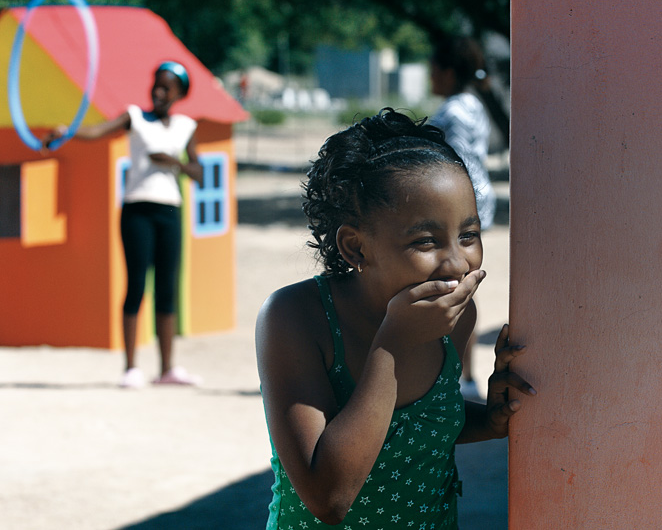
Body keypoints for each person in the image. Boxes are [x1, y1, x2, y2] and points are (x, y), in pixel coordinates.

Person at [255, 108, 535, 529]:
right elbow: (329, 497)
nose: (458, 263)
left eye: (469, 235)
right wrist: (392, 345)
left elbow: (415, 426)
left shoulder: (456, 318)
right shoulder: (296, 319)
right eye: (426, 241)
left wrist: (488, 420)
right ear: (356, 248)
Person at [42, 61, 203, 389]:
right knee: (136, 284)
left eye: (167, 87)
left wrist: (172, 162)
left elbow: (199, 173)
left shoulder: (187, 126)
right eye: (156, 84)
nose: (159, 91)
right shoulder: (135, 117)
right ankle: (131, 367)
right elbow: (96, 132)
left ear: (180, 94)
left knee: (167, 287)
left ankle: (167, 368)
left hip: (169, 211)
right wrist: (67, 131)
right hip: (137, 211)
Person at [429, 36, 497, 399]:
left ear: (448, 72)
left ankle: (460, 378)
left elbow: (453, 166)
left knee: (457, 291)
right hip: (476, 202)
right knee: (464, 288)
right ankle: (465, 377)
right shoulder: (475, 104)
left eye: (433, 70)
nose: (430, 78)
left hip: (458, 206)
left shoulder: (454, 110)